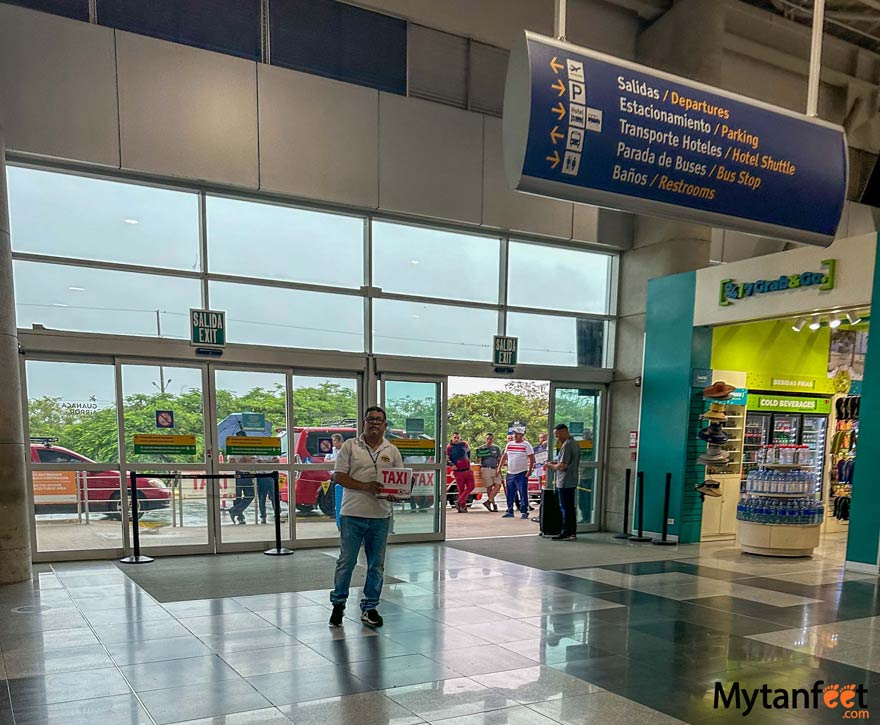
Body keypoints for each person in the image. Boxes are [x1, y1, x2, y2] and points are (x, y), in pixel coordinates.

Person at [329, 406, 402, 628]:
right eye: (370, 419)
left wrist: (396, 494)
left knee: (376, 565)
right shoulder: (350, 446)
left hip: (380, 516)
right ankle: (338, 606)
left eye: (379, 420)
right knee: (346, 562)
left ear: (385, 425)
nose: (375, 423)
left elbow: (398, 480)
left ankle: (370, 607)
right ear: (364, 422)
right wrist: (366, 486)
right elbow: (339, 477)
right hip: (352, 514)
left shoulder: (392, 450)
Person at [544, 423, 581, 541]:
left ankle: (567, 532)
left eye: (557, 435)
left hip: (565, 481)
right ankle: (571, 532)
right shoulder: (574, 443)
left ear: (563, 432)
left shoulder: (567, 445)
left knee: (565, 507)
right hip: (571, 480)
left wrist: (550, 465)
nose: (557, 438)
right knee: (570, 507)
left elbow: (562, 466)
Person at [500, 427, 535, 519]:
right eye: (514, 433)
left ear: (522, 435)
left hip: (521, 472)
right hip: (510, 472)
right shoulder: (509, 444)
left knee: (523, 492)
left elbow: (531, 458)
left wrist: (530, 470)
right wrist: (499, 467)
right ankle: (509, 510)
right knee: (510, 493)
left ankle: (524, 511)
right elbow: (505, 456)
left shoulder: (526, 445)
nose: (515, 435)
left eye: (517, 434)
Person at [447, 432, 474, 513]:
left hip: (467, 469)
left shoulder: (464, 444)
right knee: (461, 489)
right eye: (455, 437)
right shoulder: (449, 447)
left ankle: (459, 501)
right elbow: (447, 458)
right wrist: (452, 464)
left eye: (458, 438)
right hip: (458, 471)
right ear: (452, 438)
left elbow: (469, 452)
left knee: (471, 486)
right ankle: (463, 506)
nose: (456, 439)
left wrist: (468, 461)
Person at [478, 433, 502, 512]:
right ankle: (493, 503)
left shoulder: (496, 448)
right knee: (489, 486)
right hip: (485, 468)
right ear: (485, 439)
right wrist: (480, 454)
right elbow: (478, 460)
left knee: (498, 485)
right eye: (487, 439)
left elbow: (499, 459)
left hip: (495, 468)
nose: (489, 440)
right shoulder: (482, 448)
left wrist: (499, 469)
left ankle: (489, 501)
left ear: (493, 439)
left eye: (490, 439)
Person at [228, 455, 255, 525]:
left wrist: (244, 461)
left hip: (247, 474)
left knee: (250, 495)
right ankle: (240, 518)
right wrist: (244, 461)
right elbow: (231, 462)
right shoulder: (233, 451)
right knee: (237, 496)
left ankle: (234, 510)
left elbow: (253, 462)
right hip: (237, 474)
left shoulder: (248, 450)